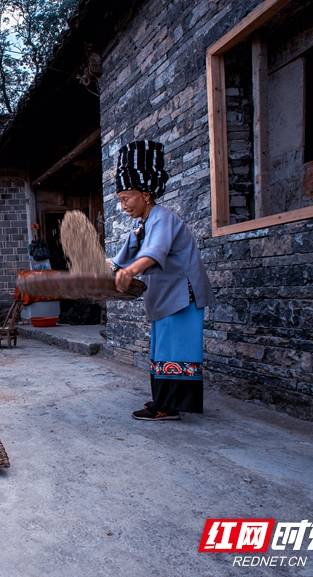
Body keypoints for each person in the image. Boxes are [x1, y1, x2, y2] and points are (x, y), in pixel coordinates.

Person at [110, 140, 215, 421]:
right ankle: (164, 400)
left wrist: (129, 272)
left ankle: (167, 407)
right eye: (120, 200)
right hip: (165, 296)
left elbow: (155, 253)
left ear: (145, 194)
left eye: (126, 198)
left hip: (182, 295)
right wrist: (110, 270)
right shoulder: (141, 225)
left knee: (176, 349)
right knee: (163, 349)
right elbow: (124, 256)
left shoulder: (163, 218)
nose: (123, 206)